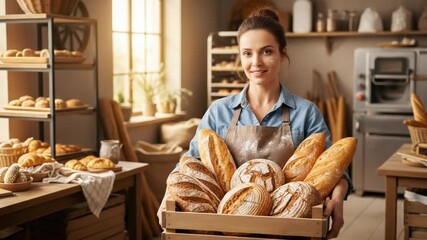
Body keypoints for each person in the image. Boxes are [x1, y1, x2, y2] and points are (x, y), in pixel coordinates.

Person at [158, 7, 352, 239]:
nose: (256, 62)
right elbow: (189, 165)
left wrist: (338, 198)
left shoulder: (306, 112)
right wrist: (167, 198)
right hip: (227, 230)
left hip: (288, 230)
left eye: (266, 51)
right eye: (247, 53)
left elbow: (334, 171)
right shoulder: (219, 112)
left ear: (282, 53)